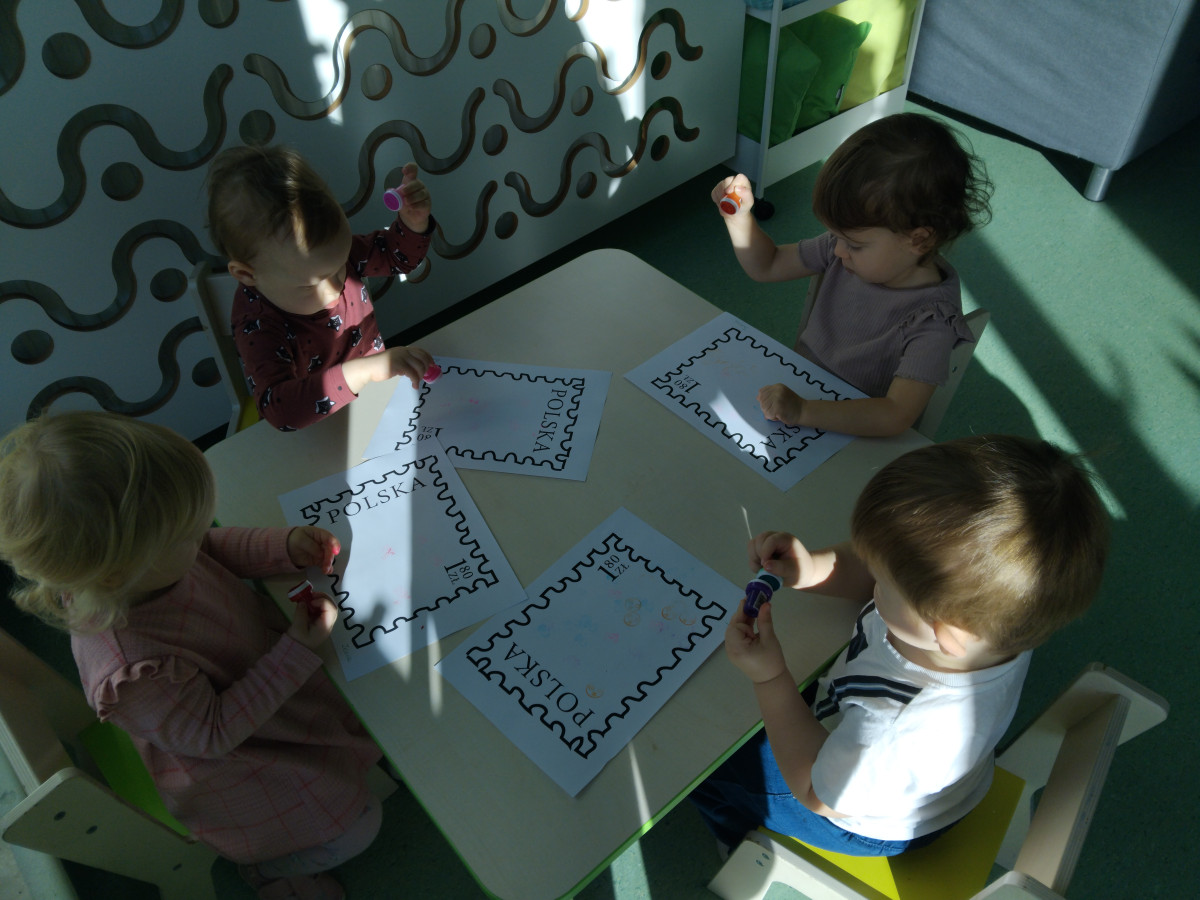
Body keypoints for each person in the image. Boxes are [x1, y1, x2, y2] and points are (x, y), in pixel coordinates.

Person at [0, 411, 382, 900]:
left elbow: (208, 547)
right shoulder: (132, 670)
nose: (198, 534)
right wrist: (298, 650)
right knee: (357, 826)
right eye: (185, 535)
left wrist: (282, 547)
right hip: (240, 765)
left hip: (256, 680)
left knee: (369, 711)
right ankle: (270, 871)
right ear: (119, 573)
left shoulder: (137, 564)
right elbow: (214, 733)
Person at [691, 434, 1109, 857]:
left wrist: (771, 679)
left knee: (704, 764)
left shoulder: (895, 730)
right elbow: (894, 573)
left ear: (945, 632)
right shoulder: (1001, 621)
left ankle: (735, 837)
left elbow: (816, 792)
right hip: (910, 781)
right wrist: (811, 568)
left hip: (857, 813)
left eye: (882, 582)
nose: (873, 580)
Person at [712, 113, 993, 436]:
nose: (838, 251)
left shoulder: (933, 320)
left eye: (855, 245)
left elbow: (894, 415)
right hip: (798, 394)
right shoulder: (844, 248)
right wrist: (739, 219)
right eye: (837, 237)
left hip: (857, 431)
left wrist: (803, 410)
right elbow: (768, 264)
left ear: (919, 240)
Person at [206, 144, 437, 431]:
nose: (334, 290)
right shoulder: (257, 321)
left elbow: (397, 257)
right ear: (247, 274)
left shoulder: (335, 255)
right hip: (312, 430)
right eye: (312, 285)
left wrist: (413, 223)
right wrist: (366, 370)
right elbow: (281, 411)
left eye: (340, 267)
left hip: (375, 403)